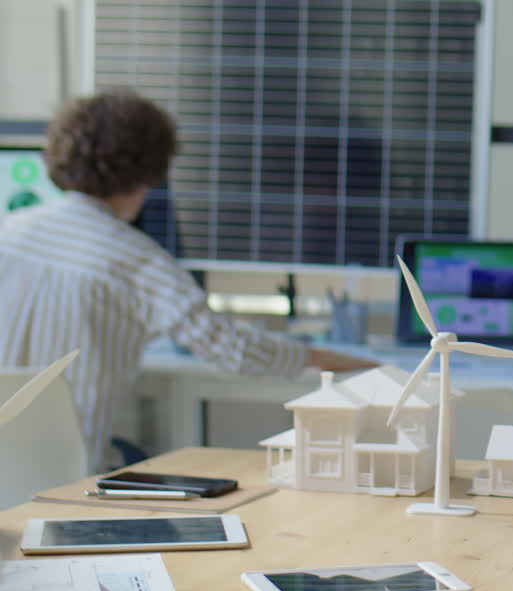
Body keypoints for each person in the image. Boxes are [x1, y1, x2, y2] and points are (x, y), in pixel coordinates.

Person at [0, 88, 376, 473]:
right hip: (72, 476)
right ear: (149, 173)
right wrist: (323, 358)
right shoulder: (134, 260)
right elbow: (236, 351)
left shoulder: (9, 231)